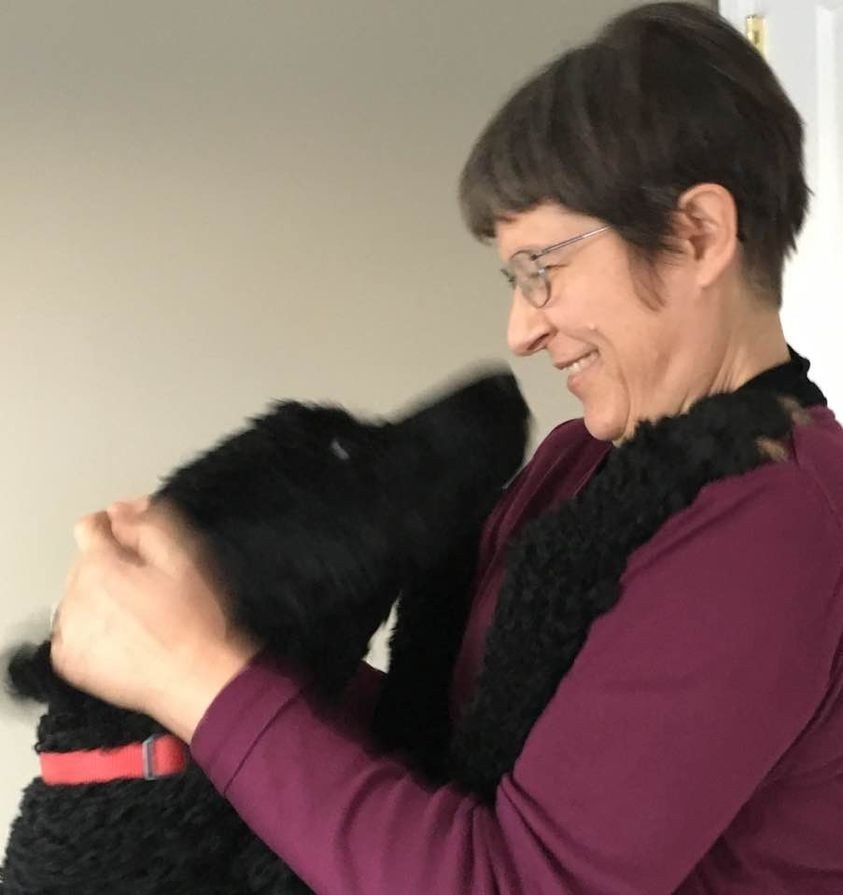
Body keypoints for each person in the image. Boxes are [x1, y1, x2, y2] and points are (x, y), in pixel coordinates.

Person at [51, 3, 843, 893]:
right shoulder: (579, 460)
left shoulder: (776, 521)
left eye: (543, 270)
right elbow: (435, 738)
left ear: (697, 235)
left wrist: (194, 674)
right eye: (513, 278)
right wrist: (193, 622)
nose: (519, 330)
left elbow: (515, 881)